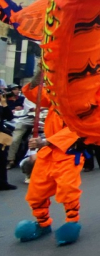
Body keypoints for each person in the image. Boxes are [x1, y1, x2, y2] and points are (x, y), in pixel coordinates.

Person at [14, 76, 87, 245]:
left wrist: (44, 141)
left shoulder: (81, 106)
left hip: (68, 154)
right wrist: (39, 74)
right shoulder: (55, 101)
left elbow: (76, 129)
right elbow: (35, 94)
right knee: (36, 192)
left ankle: (71, 222)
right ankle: (43, 223)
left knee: (68, 191)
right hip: (47, 154)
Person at [0, 89, 17, 190]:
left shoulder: (1, 105)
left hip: (1, 134)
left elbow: (9, 117)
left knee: (2, 158)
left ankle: (3, 182)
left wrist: (4, 103)